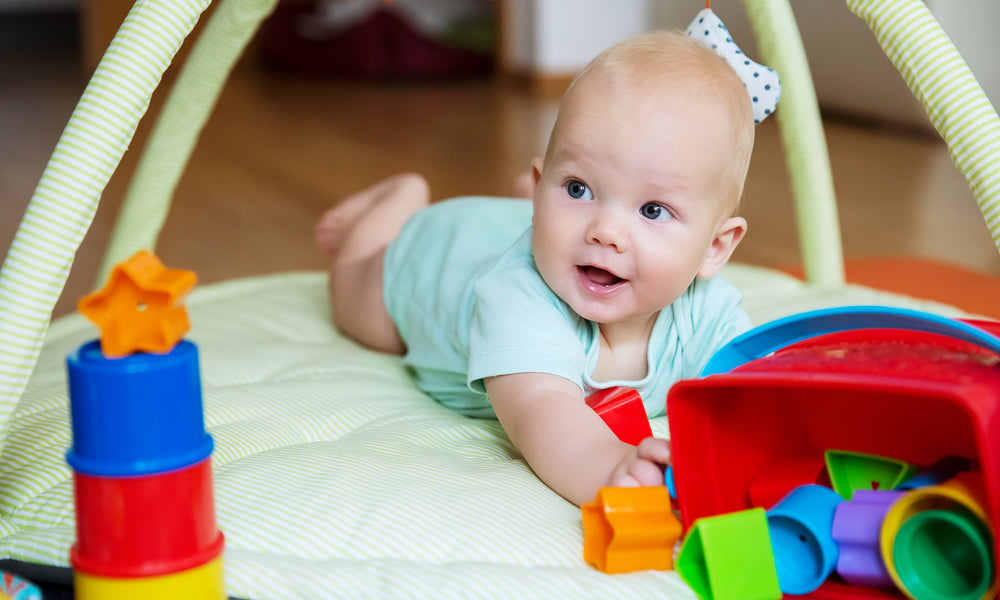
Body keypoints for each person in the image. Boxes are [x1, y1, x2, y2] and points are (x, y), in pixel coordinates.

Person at [315, 29, 756, 506]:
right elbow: (544, 412)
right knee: (356, 309)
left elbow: (756, 386)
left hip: (511, 226)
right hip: (431, 257)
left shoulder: (706, 313)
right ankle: (398, 199)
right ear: (543, 181)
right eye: (577, 187)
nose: (606, 230)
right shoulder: (516, 298)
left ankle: (537, 201)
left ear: (715, 247)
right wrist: (611, 467)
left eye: (653, 210)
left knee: (561, 233)